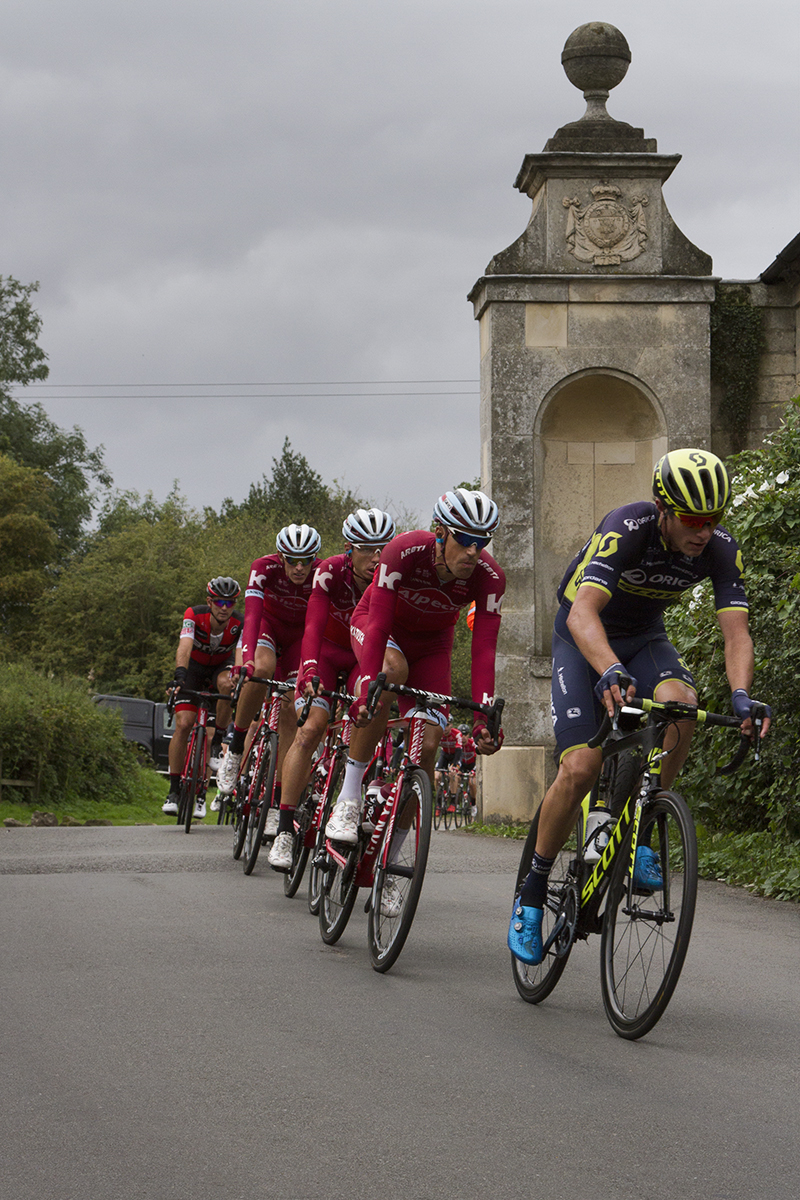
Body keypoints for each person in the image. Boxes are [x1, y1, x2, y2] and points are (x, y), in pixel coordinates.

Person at [508, 449, 772, 966]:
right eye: (694, 519)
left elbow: (736, 632)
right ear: (663, 509)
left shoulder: (718, 548)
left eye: (714, 519)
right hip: (583, 640)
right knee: (581, 766)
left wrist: (742, 695)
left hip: (645, 638)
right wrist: (607, 668)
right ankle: (533, 892)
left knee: (682, 707)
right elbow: (583, 613)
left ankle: (646, 825)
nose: (704, 531)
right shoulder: (626, 528)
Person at [325, 488, 506, 856]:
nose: (474, 551)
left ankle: (390, 861)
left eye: (482, 541)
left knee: (428, 746)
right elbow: (376, 625)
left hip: (433, 647)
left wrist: (483, 718)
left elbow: (484, 650)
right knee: (391, 673)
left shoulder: (490, 577)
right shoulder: (404, 551)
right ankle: (348, 797)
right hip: (380, 627)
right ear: (441, 533)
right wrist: (366, 692)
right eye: (466, 540)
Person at [267, 508, 396, 871]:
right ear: (348, 550)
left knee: (370, 708)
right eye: (368, 549)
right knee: (310, 729)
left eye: (383, 548)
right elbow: (312, 625)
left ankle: (348, 801)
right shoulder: (328, 572)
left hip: (360, 659)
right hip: (325, 652)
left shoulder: (392, 577)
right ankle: (284, 831)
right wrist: (307, 669)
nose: (377, 557)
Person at [215, 526, 321, 836]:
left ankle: (276, 803)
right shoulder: (263, 568)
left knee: (291, 712)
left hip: (299, 639)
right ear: (281, 556)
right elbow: (250, 615)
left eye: (306, 560)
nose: (299, 568)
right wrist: (246, 657)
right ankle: (235, 746)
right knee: (261, 669)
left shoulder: (321, 575)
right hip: (267, 627)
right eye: (292, 560)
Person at [163, 577, 243, 819]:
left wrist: (239, 681)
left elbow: (239, 655)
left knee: (227, 683)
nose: (224, 607)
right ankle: (174, 790)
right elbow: (185, 646)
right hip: (194, 670)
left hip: (221, 668)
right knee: (184, 724)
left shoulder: (240, 622)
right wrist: (179, 676)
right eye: (219, 601)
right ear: (210, 601)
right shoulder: (194, 615)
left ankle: (219, 739)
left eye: (230, 603)